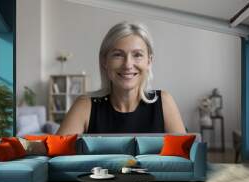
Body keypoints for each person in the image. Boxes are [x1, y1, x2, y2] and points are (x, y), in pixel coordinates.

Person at [57, 21, 186, 135]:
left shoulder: (164, 102)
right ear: (104, 61)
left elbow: (187, 159)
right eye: (118, 55)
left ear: (149, 61)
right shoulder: (85, 106)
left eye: (137, 55)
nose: (128, 65)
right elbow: (53, 152)